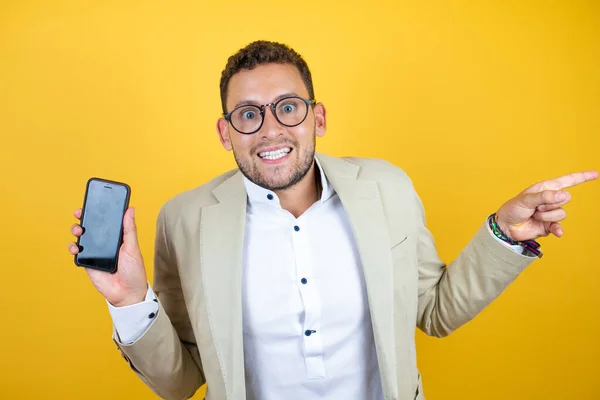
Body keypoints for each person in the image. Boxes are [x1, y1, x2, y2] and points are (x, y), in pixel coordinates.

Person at [68, 41, 597, 400]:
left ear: (317, 117)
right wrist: (128, 301)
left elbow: (434, 313)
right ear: (225, 132)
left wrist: (503, 234)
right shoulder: (184, 219)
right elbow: (181, 382)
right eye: (248, 114)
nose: (270, 129)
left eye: (288, 107)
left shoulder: (386, 187)